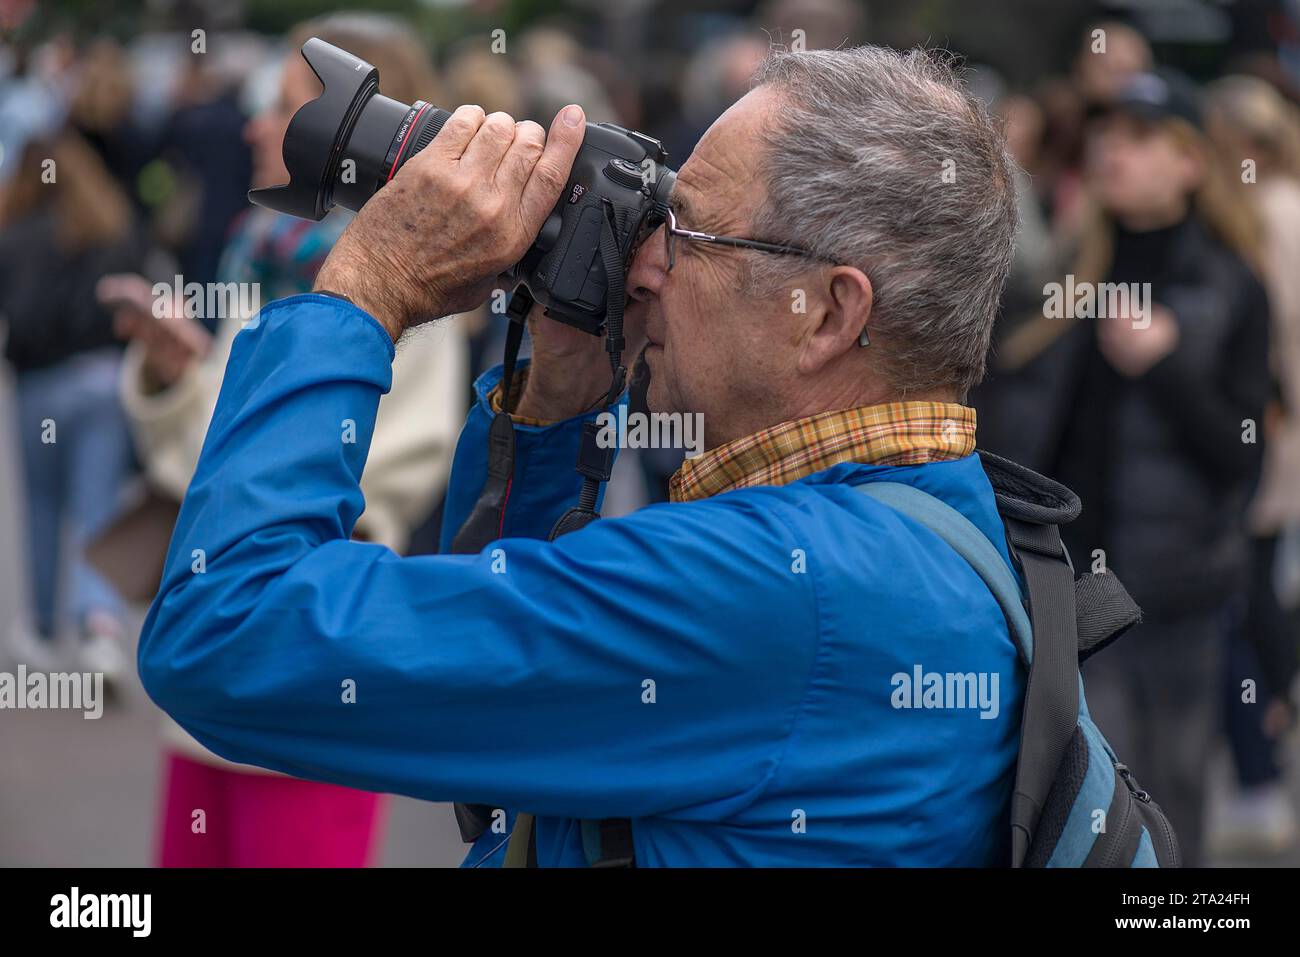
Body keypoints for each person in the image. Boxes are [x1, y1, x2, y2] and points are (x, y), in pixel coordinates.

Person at [138, 46, 1028, 866]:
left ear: (831, 315)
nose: (646, 269)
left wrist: (365, 291)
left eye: (690, 233)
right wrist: (559, 400)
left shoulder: (778, 590)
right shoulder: (941, 525)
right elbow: (508, 747)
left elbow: (227, 629)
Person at [103, 13, 469, 867]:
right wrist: (175, 375)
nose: (255, 126)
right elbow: (215, 465)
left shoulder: (407, 298)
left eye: (283, 107)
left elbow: (333, 483)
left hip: (311, 661)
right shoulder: (259, 256)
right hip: (215, 669)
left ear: (357, 136)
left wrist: (200, 407)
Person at [995, 70, 1272, 865]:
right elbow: (1022, 426)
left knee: (1175, 788)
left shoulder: (1230, 283)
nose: (1116, 151)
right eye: (1108, 135)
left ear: (1191, 163)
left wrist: (1168, 365)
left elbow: (1243, 451)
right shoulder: (1062, 278)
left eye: (1143, 137)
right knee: (1086, 793)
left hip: (1177, 588)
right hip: (1068, 584)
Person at [0, 129, 146, 682]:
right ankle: (100, 627)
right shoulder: (113, 229)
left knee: (40, 508)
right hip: (104, 381)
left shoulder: (15, 237)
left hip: (39, 388)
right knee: (98, 507)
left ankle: (40, 626)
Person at [1205, 74, 1300, 856]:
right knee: (1262, 575)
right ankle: (1269, 714)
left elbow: (1265, 334)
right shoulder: (1290, 201)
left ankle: (1266, 729)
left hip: (1271, 423)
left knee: (1246, 582)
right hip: (1279, 423)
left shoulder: (1263, 215)